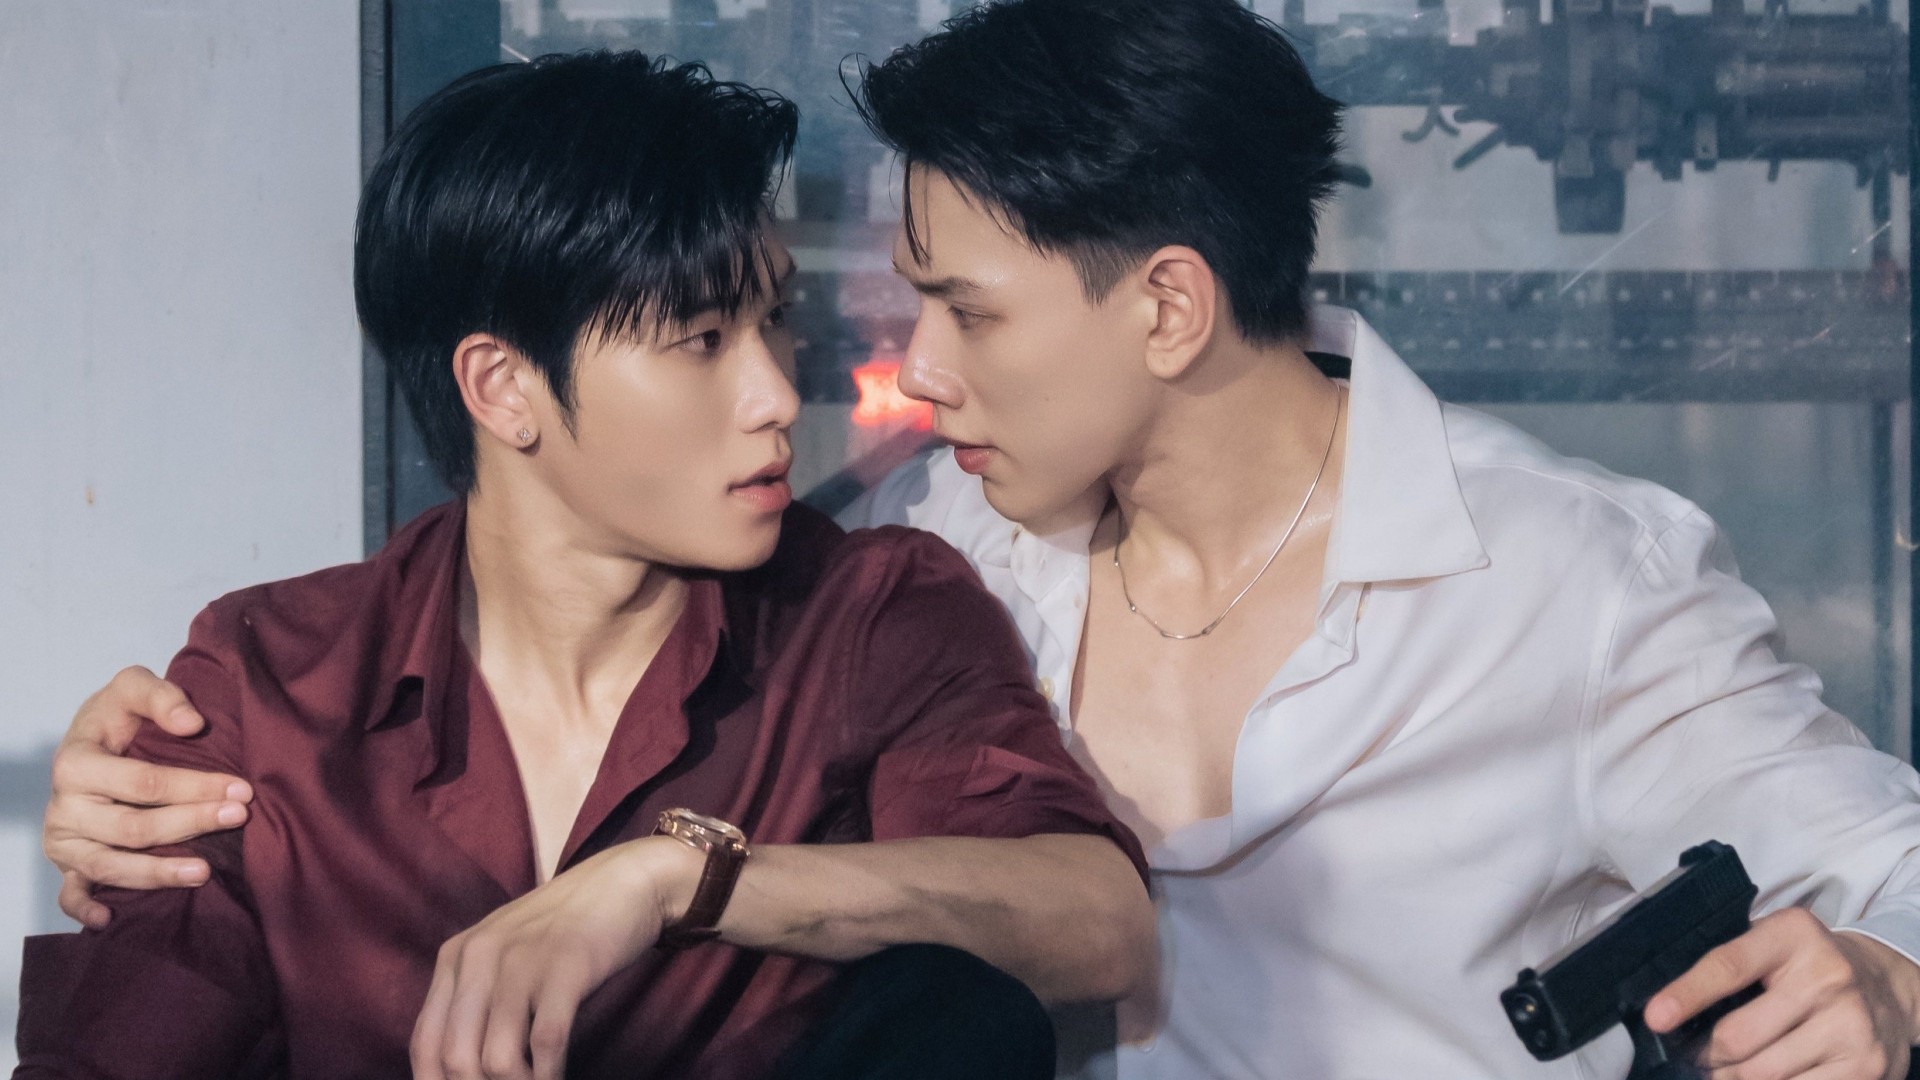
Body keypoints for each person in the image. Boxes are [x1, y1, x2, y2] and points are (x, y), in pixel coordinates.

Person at [37, 1, 1920, 1078]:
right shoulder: (937, 547)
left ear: (1166, 307)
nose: (903, 375)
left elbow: (1892, 879)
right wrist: (143, 781)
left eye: (965, 310)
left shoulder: (1578, 582)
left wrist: (1892, 987)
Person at [14, 49, 1154, 1080]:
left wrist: (679, 880)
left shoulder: (867, 617)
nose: (773, 395)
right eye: (702, 341)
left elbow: (1095, 922)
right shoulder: (268, 686)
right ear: (503, 388)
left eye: (773, 321)